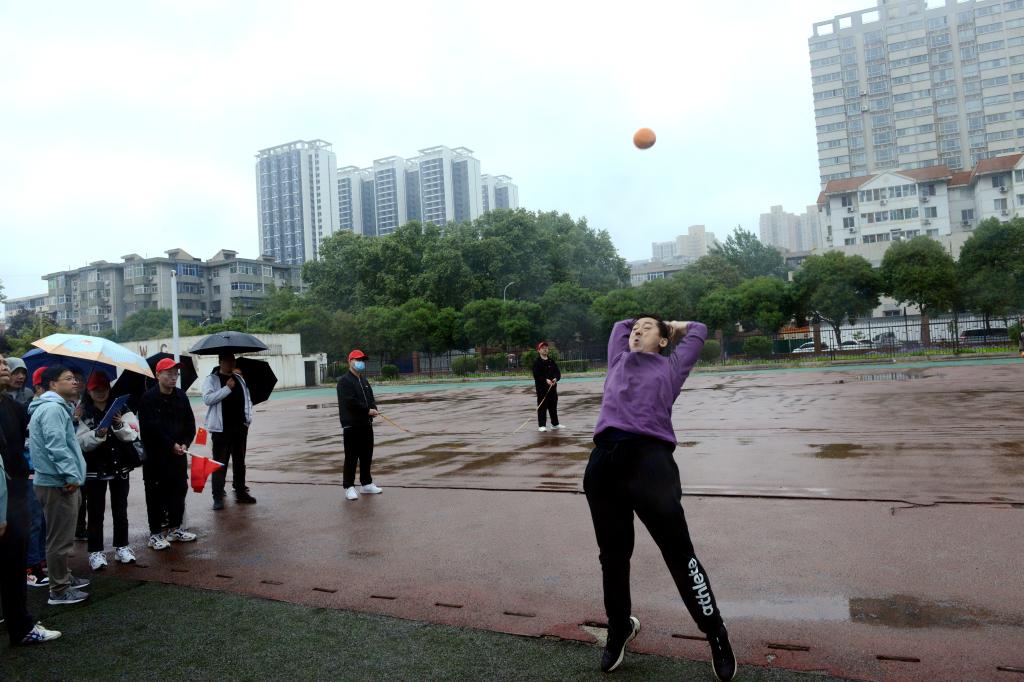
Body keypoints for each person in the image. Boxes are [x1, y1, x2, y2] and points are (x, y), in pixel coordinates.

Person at [583, 315, 735, 680]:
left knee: (680, 555)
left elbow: (699, 331)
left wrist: (670, 325)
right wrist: (644, 324)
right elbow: (619, 326)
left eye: (647, 328)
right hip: (604, 463)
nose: (637, 330)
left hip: (650, 463)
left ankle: (715, 632)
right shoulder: (618, 360)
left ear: (664, 342)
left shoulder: (671, 367)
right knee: (613, 557)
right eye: (636, 328)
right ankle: (619, 628)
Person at [0, 355, 61, 644]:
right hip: (4, 499)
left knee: (13, 563)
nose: (5, 367)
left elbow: (32, 431)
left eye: (5, 362)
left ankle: (20, 626)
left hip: (15, 494)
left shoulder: (12, 406)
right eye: (0, 363)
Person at [27, 365, 91, 606]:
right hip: (58, 482)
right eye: (68, 378)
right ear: (53, 384)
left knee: (61, 536)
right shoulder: (53, 409)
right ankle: (59, 589)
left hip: (58, 481)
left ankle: (63, 577)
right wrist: (71, 475)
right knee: (59, 539)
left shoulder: (56, 407)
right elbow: (56, 445)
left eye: (75, 378)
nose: (75, 382)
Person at [76, 372, 140, 570]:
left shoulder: (122, 407)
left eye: (103, 388)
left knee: (120, 510)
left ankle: (122, 547)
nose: (100, 392)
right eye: (95, 389)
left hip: (120, 467)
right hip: (94, 470)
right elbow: (79, 442)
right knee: (95, 512)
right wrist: (97, 434)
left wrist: (119, 425)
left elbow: (134, 434)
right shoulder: (82, 411)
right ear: (88, 391)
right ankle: (95, 551)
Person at [137, 359, 197, 550]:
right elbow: (150, 429)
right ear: (158, 375)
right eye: (169, 373)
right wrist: (171, 445)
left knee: (179, 491)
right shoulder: (148, 399)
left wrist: (185, 442)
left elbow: (190, 424)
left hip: (178, 456)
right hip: (156, 458)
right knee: (155, 495)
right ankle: (155, 534)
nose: (173, 377)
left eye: (176, 374)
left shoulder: (181, 396)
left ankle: (175, 529)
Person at [201, 352, 255, 510]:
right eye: (228, 360)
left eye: (233, 360)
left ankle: (240, 492)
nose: (231, 363)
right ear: (220, 361)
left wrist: (247, 420)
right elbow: (207, 399)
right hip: (221, 430)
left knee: (239, 462)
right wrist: (226, 388)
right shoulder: (211, 379)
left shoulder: (239, 378)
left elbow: (247, 400)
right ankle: (217, 497)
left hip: (240, 428)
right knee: (219, 464)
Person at [337, 349, 382, 501]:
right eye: (358, 360)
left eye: (362, 360)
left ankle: (366, 483)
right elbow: (350, 402)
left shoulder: (364, 381)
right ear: (350, 361)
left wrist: (373, 408)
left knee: (366, 455)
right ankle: (349, 486)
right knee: (351, 457)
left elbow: (370, 399)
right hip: (352, 426)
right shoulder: (344, 381)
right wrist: (367, 410)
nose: (361, 363)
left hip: (366, 424)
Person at [532, 341, 562, 432]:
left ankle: (555, 424)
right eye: (543, 348)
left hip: (552, 389)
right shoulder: (537, 363)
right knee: (542, 407)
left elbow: (557, 372)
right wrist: (545, 380)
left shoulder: (551, 361)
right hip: (542, 390)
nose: (545, 349)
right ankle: (542, 425)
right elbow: (536, 375)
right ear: (539, 350)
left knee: (553, 407)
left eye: (546, 348)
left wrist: (556, 378)